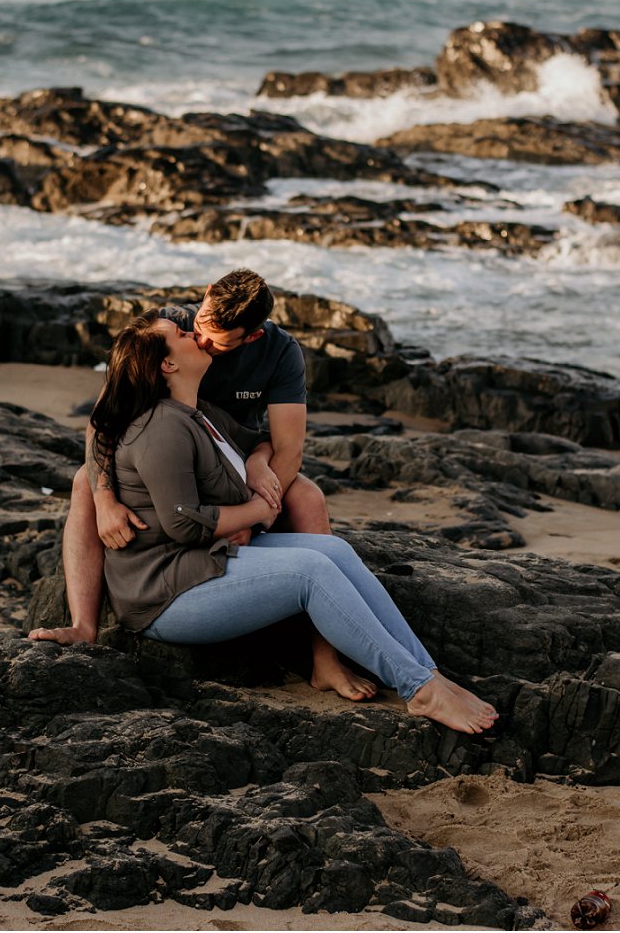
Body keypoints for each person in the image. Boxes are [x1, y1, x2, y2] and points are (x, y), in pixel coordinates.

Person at [72, 309, 498, 735]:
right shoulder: (161, 429)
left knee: (333, 551)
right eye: (182, 334)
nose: (194, 335)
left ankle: (428, 672)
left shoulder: (196, 412)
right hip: (163, 595)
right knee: (310, 572)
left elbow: (258, 440)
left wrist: (258, 465)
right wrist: (259, 512)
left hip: (202, 561)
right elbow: (184, 524)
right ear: (168, 364)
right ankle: (418, 689)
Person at [29, 270, 374, 700]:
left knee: (308, 496)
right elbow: (104, 423)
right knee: (85, 478)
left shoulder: (280, 353)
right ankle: (84, 625)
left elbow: (289, 450)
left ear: (251, 338)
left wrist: (252, 497)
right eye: (202, 326)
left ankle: (325, 659)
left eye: (219, 340)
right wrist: (104, 498)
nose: (203, 341)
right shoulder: (168, 329)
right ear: (208, 292)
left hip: (234, 466)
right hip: (163, 458)